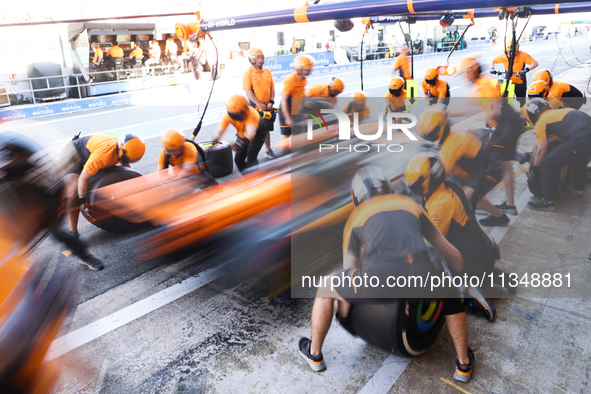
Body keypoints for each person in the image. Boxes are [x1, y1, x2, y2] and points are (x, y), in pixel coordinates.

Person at [298, 166, 475, 383]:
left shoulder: (356, 216)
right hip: (423, 270)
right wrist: (459, 283)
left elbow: (350, 273)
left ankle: (314, 354)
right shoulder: (410, 205)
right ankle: (463, 365)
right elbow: (451, 253)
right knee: (451, 295)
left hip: (381, 276)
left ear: (356, 196)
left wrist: (346, 317)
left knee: (326, 287)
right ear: (387, 188)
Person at [405, 153, 498, 321]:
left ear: (428, 181)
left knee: (430, 263)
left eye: (416, 185)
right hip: (475, 249)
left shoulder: (441, 203)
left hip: (466, 261)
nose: (413, 189)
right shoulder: (446, 187)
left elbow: (431, 244)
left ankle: (470, 295)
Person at [450, 56, 521, 225]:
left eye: (465, 73)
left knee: (490, 162)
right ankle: (509, 204)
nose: (463, 77)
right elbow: (468, 107)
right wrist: (450, 114)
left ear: (471, 71)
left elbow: (495, 108)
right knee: (504, 165)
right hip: (509, 124)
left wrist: (488, 125)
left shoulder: (484, 84)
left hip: (505, 125)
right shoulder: (480, 85)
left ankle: (478, 199)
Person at [60, 133, 146, 269]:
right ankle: (73, 233)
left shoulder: (125, 149)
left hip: (92, 153)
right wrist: (83, 202)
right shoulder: (104, 155)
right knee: (73, 192)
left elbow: (127, 170)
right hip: (73, 153)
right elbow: (83, 179)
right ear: (121, 150)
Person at [416, 107, 507, 226]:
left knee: (462, 200)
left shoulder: (451, 144)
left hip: (490, 169)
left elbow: (440, 176)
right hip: (483, 167)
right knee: (476, 198)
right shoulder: (452, 134)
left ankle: (470, 232)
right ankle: (501, 217)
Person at [524, 99, 591, 212]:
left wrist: (534, 170)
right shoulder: (557, 112)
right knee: (580, 158)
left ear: (532, 115)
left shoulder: (541, 121)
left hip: (580, 136)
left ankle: (547, 202)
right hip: (586, 132)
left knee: (548, 163)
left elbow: (542, 151)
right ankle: (578, 188)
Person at [213, 95, 267, 173]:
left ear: (245, 110)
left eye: (236, 115)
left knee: (251, 155)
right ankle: (247, 177)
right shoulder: (229, 115)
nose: (234, 117)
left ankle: (256, 179)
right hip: (242, 134)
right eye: (232, 114)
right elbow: (220, 130)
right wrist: (215, 139)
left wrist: (238, 145)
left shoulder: (251, 114)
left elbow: (249, 134)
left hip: (258, 133)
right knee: (238, 159)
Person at [243, 48, 278, 160]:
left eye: (262, 58)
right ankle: (249, 152)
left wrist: (271, 102)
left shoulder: (267, 72)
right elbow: (248, 91)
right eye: (258, 58)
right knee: (253, 131)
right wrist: (259, 103)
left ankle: (268, 150)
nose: (261, 60)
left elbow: (272, 88)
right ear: (252, 59)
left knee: (266, 129)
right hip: (255, 107)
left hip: (268, 106)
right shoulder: (248, 73)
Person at [279, 54, 314, 151]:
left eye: (309, 70)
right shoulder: (290, 80)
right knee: (286, 136)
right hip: (286, 109)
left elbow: (302, 96)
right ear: (299, 68)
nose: (308, 72)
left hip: (296, 110)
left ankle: (294, 158)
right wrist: (287, 118)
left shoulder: (303, 80)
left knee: (296, 135)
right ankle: (283, 158)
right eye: (307, 69)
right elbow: (284, 100)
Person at [490, 42, 538, 107]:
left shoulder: (523, 55)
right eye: (506, 52)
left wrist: (526, 70)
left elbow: (535, 63)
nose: (508, 54)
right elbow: (492, 60)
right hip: (508, 82)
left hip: (520, 82)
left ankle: (522, 112)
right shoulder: (503, 56)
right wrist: (492, 68)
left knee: (521, 101)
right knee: (507, 101)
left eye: (509, 52)